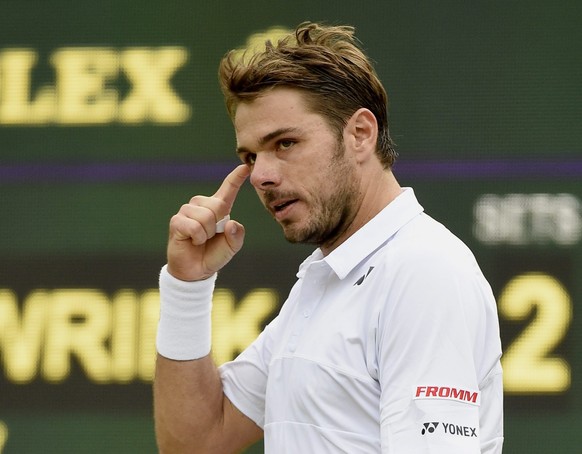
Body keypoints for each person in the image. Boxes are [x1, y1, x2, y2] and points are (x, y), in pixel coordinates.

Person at [153, 22, 503, 453]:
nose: (261, 176)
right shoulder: (324, 284)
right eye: (250, 156)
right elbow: (195, 442)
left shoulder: (422, 269)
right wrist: (186, 286)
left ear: (360, 134)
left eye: (284, 143)